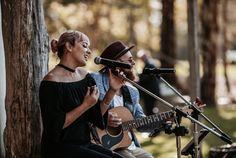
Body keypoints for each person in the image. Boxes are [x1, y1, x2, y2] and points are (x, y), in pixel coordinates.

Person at [39, 30, 123, 158]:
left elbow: (95, 115)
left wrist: (112, 90)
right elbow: (54, 127)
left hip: (84, 143)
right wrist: (85, 105)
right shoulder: (51, 81)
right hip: (60, 148)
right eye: (84, 45)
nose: (89, 51)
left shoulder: (85, 76)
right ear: (69, 46)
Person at [91, 41, 165, 158]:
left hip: (129, 145)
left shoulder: (132, 91)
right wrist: (104, 118)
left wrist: (163, 119)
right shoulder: (95, 80)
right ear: (116, 62)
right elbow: (87, 113)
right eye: (130, 60)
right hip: (103, 145)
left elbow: (140, 124)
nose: (134, 63)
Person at [137, 49, 161, 115]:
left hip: (151, 92)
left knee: (150, 110)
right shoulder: (148, 64)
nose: (142, 59)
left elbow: (144, 78)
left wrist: (136, 82)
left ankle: (152, 124)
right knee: (150, 109)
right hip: (150, 92)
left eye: (142, 57)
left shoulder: (150, 65)